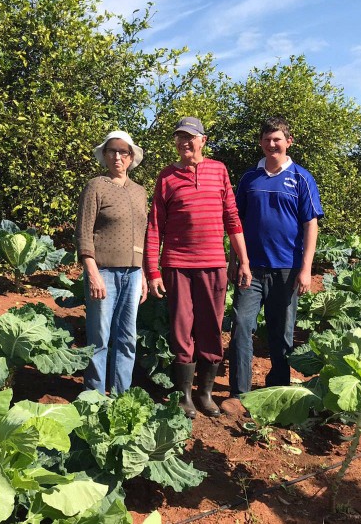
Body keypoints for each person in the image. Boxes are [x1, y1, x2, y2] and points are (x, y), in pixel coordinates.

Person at [144, 116, 252, 418]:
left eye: (190, 137)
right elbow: (155, 226)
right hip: (177, 264)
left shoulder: (219, 170)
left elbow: (232, 218)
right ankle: (184, 397)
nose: (184, 142)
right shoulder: (167, 177)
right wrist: (153, 270)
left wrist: (243, 261)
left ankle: (205, 394)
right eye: (180, 137)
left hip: (213, 264)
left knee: (211, 328)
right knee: (181, 329)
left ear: (203, 140)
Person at [222, 117, 324, 417]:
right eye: (266, 139)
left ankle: (277, 392)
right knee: (242, 327)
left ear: (288, 142)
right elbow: (236, 222)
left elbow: (310, 224)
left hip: (287, 270)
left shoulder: (301, 178)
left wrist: (306, 269)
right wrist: (234, 261)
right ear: (261, 142)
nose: (271, 144)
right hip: (250, 269)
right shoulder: (249, 178)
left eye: (277, 139)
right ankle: (239, 394)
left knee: (281, 333)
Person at [76, 130, 148, 394]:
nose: (117, 157)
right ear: (105, 155)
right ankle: (94, 396)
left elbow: (142, 234)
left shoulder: (140, 192)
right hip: (103, 271)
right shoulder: (96, 186)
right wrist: (92, 272)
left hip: (133, 273)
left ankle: (121, 395)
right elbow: (84, 233)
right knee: (100, 338)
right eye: (112, 151)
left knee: (127, 338)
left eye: (123, 152)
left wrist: (143, 274)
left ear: (130, 157)